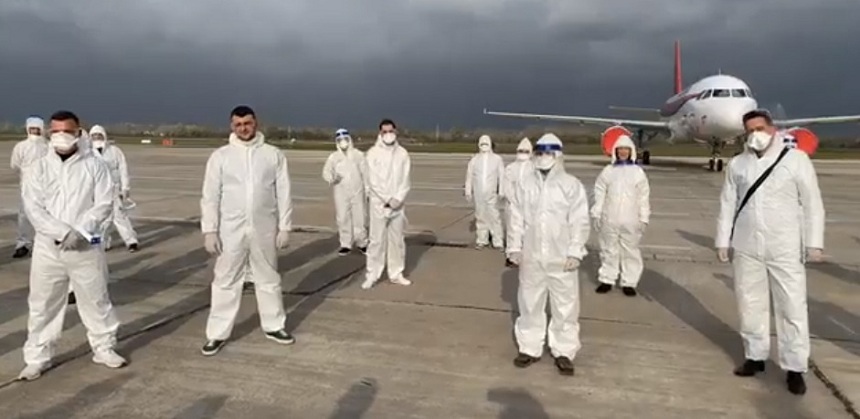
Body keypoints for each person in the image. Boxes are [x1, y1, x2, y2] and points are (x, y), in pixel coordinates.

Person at [715, 109, 825, 396]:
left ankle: (795, 367)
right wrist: (723, 241)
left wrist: (814, 242)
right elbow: (728, 204)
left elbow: (812, 203)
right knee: (749, 302)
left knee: (791, 306)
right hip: (747, 244)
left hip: (784, 245)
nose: (756, 135)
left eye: (760, 128)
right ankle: (755, 355)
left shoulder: (796, 160)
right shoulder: (738, 164)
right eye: (750, 130)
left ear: (773, 129)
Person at [18, 110, 126, 380]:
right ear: (49, 133)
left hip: (85, 246)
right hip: (48, 247)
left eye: (67, 131)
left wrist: (81, 230)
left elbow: (103, 203)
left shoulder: (95, 165)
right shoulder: (38, 167)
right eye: (55, 131)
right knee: (43, 304)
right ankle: (37, 357)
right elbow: (33, 208)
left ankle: (104, 348)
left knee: (96, 299)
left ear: (79, 132)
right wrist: (61, 232)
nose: (61, 136)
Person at [199, 105, 294, 356]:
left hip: (264, 227)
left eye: (248, 123)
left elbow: (283, 192)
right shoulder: (221, 156)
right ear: (232, 126)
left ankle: (274, 325)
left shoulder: (273, 155)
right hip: (231, 230)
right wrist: (210, 230)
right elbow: (210, 196)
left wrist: (285, 226)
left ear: (256, 123)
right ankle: (217, 333)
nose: (244, 128)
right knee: (225, 280)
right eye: (238, 124)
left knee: (268, 277)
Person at [506, 133, 590, 376]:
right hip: (532, 256)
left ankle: (564, 350)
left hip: (561, 257)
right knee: (530, 302)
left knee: (565, 306)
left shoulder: (571, 185)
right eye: (540, 152)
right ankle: (529, 347)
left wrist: (575, 250)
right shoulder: (525, 184)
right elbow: (516, 218)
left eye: (549, 153)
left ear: (558, 155)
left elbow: (579, 220)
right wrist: (514, 247)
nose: (544, 157)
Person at [590, 135, 651, 297]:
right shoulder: (608, 171)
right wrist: (597, 212)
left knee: (630, 251)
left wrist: (644, 217)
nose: (623, 152)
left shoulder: (638, 172)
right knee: (608, 249)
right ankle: (607, 279)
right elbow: (599, 192)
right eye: (620, 149)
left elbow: (643, 197)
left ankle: (629, 282)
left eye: (626, 149)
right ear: (615, 151)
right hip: (609, 218)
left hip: (631, 219)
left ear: (631, 151)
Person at [361, 119, 412, 290]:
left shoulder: (403, 154)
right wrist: (387, 199)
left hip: (398, 205)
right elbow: (372, 180)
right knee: (376, 241)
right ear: (380, 133)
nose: (388, 134)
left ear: (396, 131)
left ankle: (396, 273)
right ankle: (372, 274)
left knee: (397, 241)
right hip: (379, 205)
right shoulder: (372, 154)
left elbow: (406, 179)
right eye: (385, 131)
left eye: (391, 131)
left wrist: (398, 198)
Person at [89, 125, 139, 252]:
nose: (96, 138)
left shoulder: (115, 151)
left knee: (120, 216)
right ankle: (103, 242)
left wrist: (125, 188)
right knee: (102, 219)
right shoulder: (88, 153)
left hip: (114, 189)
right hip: (98, 191)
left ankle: (131, 241)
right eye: (94, 136)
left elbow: (123, 169)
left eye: (99, 135)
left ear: (104, 136)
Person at [322, 128, 368, 256]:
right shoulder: (334, 157)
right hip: (340, 191)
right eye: (340, 140)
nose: (343, 142)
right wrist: (332, 178)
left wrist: (368, 189)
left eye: (345, 139)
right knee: (342, 218)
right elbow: (326, 172)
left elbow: (366, 173)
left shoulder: (359, 155)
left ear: (350, 139)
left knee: (360, 217)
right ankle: (345, 244)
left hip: (358, 191)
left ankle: (362, 242)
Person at [10, 117, 50, 258]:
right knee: (24, 215)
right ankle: (23, 244)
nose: (34, 132)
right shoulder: (21, 146)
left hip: (46, 185)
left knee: (45, 214)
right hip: (27, 186)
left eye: (37, 129)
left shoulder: (48, 146)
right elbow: (15, 164)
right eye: (31, 129)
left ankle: (43, 244)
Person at [465, 135, 505, 250]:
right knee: (480, 216)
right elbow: (469, 176)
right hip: (479, 193)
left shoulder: (497, 159)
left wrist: (502, 190)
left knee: (494, 216)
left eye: (486, 144)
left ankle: (498, 241)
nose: (484, 146)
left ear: (490, 144)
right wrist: (468, 191)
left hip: (492, 193)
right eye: (482, 144)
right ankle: (482, 239)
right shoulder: (474, 160)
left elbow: (501, 176)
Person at [501, 138, 532, 266]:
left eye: (526, 151)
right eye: (521, 151)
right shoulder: (511, 168)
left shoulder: (534, 168)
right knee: (514, 230)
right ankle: (512, 256)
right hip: (513, 205)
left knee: (528, 230)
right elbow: (507, 186)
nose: (523, 153)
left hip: (530, 205)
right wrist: (513, 200)